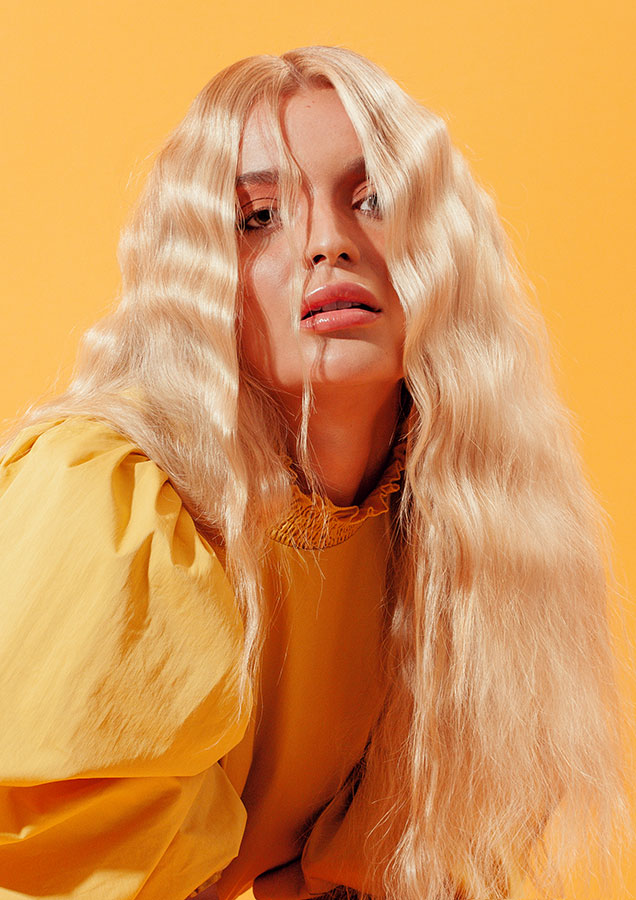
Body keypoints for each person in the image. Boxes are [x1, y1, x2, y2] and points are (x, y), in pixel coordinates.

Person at [0, 45, 627, 900]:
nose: (328, 244)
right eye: (258, 217)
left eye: (373, 201)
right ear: (200, 276)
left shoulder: (461, 538)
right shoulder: (112, 500)